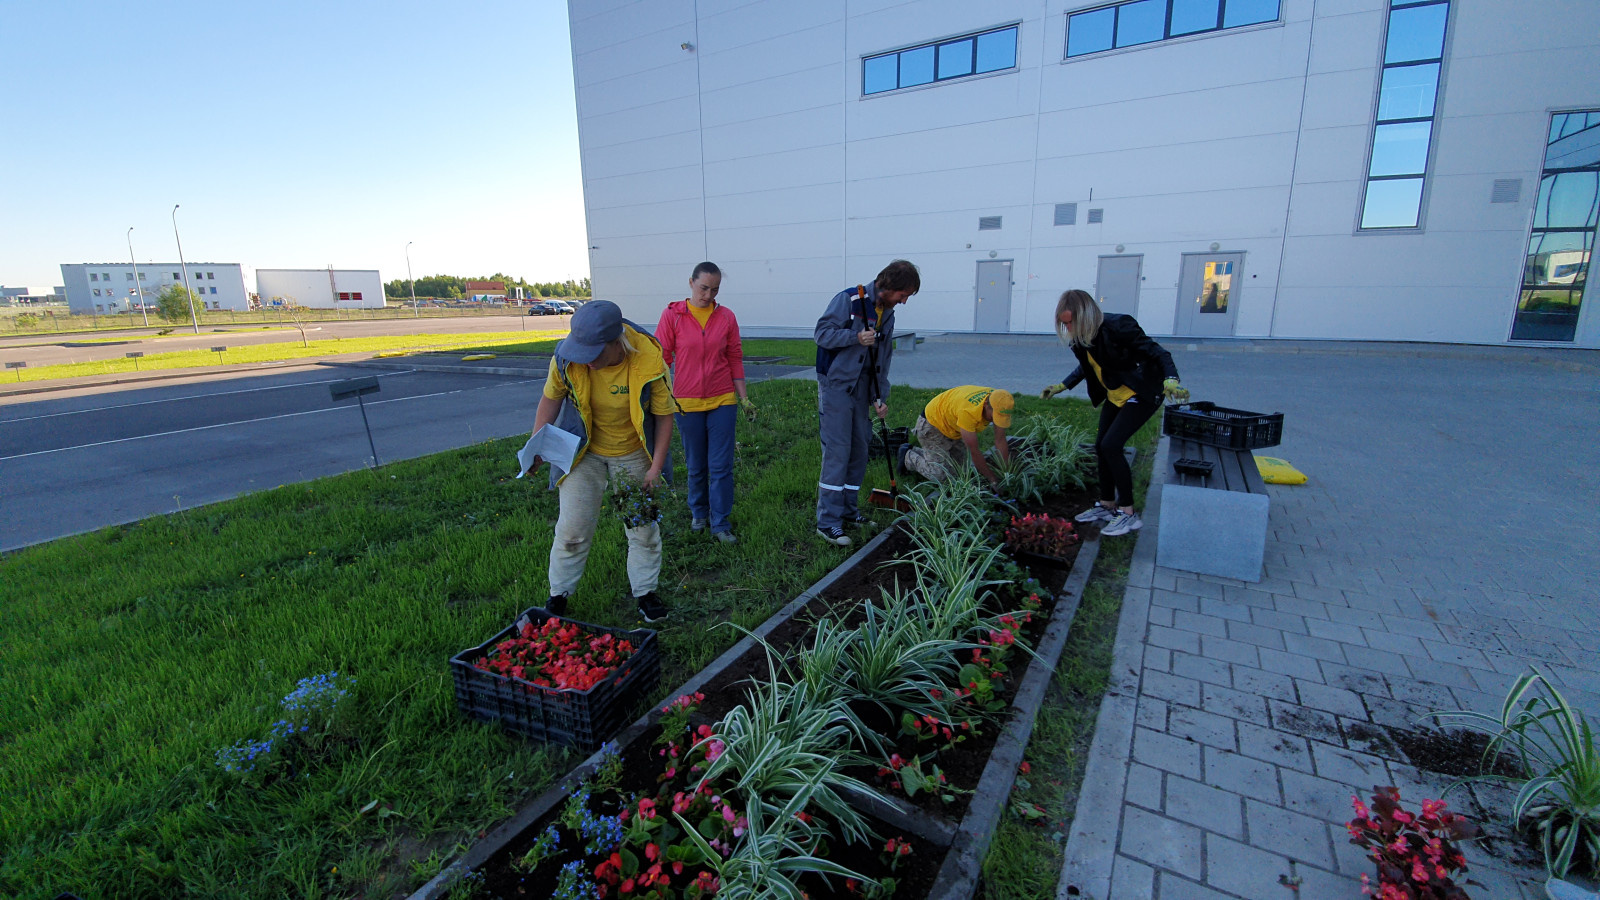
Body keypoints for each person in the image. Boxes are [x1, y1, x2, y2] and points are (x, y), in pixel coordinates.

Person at [524, 300, 677, 622]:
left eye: (592, 353)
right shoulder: (567, 358)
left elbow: (664, 418)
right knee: (571, 531)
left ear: (614, 343)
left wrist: (655, 467)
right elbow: (549, 400)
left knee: (642, 528)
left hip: (634, 453)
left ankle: (646, 592)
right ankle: (558, 597)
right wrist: (536, 445)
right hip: (584, 452)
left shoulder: (648, 361)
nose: (585, 361)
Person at [1041, 289, 1188, 537]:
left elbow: (1158, 352)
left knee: (1111, 446)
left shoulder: (1119, 325)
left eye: (1071, 322)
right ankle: (1107, 506)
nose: (1068, 328)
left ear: (1085, 315)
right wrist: (1063, 385)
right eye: (1063, 323)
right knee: (1101, 446)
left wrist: (1171, 379)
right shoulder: (1080, 337)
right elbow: (1088, 365)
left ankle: (1128, 515)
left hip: (1142, 392)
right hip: (1116, 394)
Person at [813, 259, 919, 547]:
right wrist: (855, 337)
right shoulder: (849, 300)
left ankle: (849, 511)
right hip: (836, 386)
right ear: (889, 285)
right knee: (838, 451)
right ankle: (828, 522)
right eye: (903, 294)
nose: (905, 301)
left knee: (860, 449)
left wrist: (879, 396)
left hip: (862, 390)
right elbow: (821, 334)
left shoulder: (888, 313)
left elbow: (882, 359)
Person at [655, 261, 755, 544]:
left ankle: (720, 522)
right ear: (691, 283)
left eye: (714, 289)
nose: (708, 295)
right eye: (703, 288)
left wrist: (743, 397)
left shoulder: (726, 317)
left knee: (721, 465)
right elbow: (662, 358)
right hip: (686, 403)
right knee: (696, 464)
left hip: (722, 399)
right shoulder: (673, 315)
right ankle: (699, 512)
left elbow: (734, 357)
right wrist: (659, 395)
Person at [901, 386, 1014, 486]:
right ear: (986, 405)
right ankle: (908, 455)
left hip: (953, 425)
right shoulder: (968, 412)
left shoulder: (999, 400)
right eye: (995, 416)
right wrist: (992, 479)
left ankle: (928, 454)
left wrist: (1006, 471)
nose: (996, 420)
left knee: (963, 472)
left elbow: (1000, 440)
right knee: (941, 476)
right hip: (932, 425)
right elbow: (974, 451)